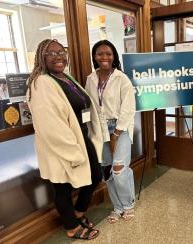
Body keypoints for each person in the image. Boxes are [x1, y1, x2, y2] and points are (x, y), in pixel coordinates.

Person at [27, 39, 103, 240]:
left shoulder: (65, 77)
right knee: (62, 185)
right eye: (51, 53)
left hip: (80, 137)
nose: (58, 56)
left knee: (95, 175)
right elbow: (50, 126)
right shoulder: (41, 83)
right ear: (41, 57)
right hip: (61, 145)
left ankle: (78, 213)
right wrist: (73, 151)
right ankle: (71, 227)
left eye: (61, 52)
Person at [86, 40, 136, 223]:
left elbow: (129, 108)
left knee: (119, 169)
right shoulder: (90, 78)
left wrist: (116, 133)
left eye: (108, 53)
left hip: (119, 127)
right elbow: (91, 105)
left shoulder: (121, 78)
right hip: (99, 129)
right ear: (94, 56)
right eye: (100, 54)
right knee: (107, 170)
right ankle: (117, 207)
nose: (104, 57)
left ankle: (128, 204)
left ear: (114, 56)